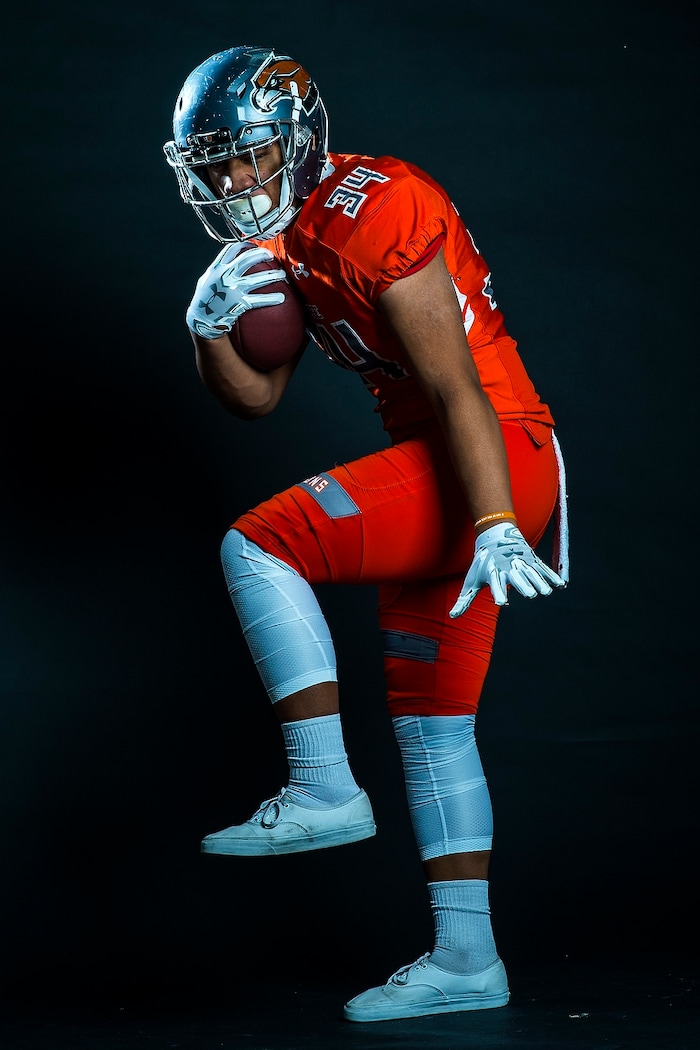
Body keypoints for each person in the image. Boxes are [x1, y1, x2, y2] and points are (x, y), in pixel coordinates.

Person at [163, 45, 569, 1023]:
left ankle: (321, 787)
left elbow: (454, 386)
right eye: (212, 164)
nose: (229, 181)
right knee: (433, 729)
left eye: (244, 156)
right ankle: (468, 959)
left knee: (258, 542)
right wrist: (205, 331)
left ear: (295, 141)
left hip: (490, 456)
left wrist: (496, 523)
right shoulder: (284, 244)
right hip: (453, 474)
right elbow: (254, 401)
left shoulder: (373, 204)